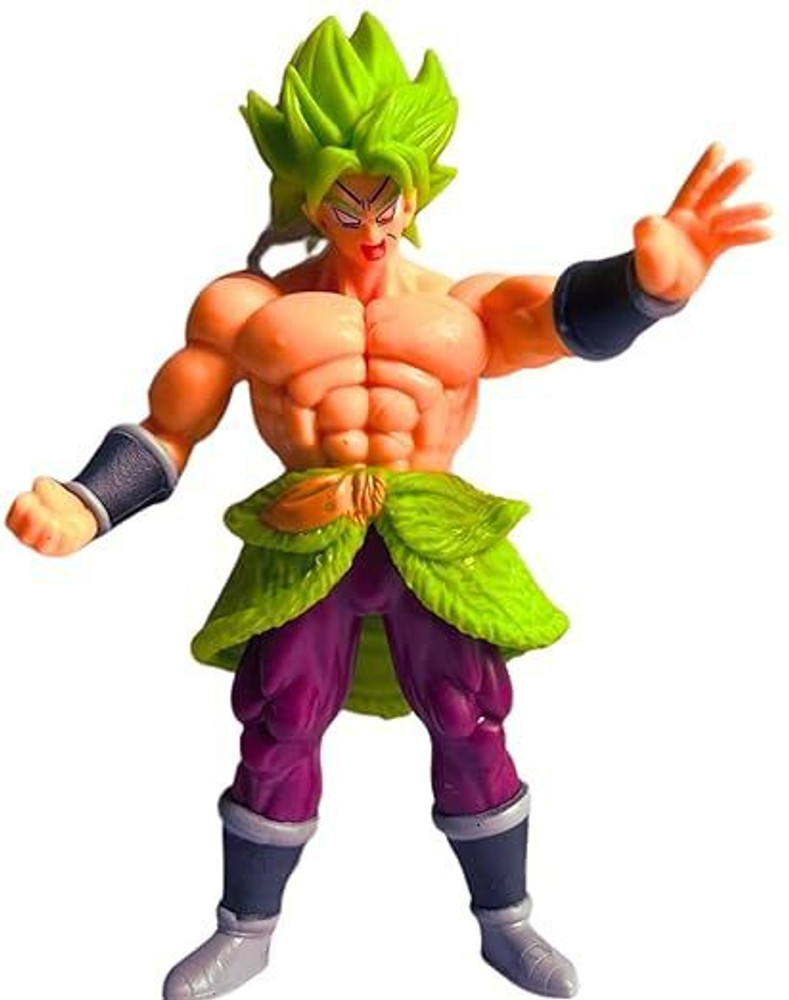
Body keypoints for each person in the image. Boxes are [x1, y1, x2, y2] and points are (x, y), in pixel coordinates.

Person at [5, 13, 771, 1000]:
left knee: (471, 717)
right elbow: (171, 427)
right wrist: (87, 504)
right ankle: (247, 928)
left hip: (431, 540)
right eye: (345, 198)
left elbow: (555, 318)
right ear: (305, 194)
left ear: (419, 188)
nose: (370, 223)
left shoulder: (461, 307)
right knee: (278, 720)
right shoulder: (246, 309)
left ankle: (507, 922)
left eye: (388, 195)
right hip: (307, 532)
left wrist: (647, 290)